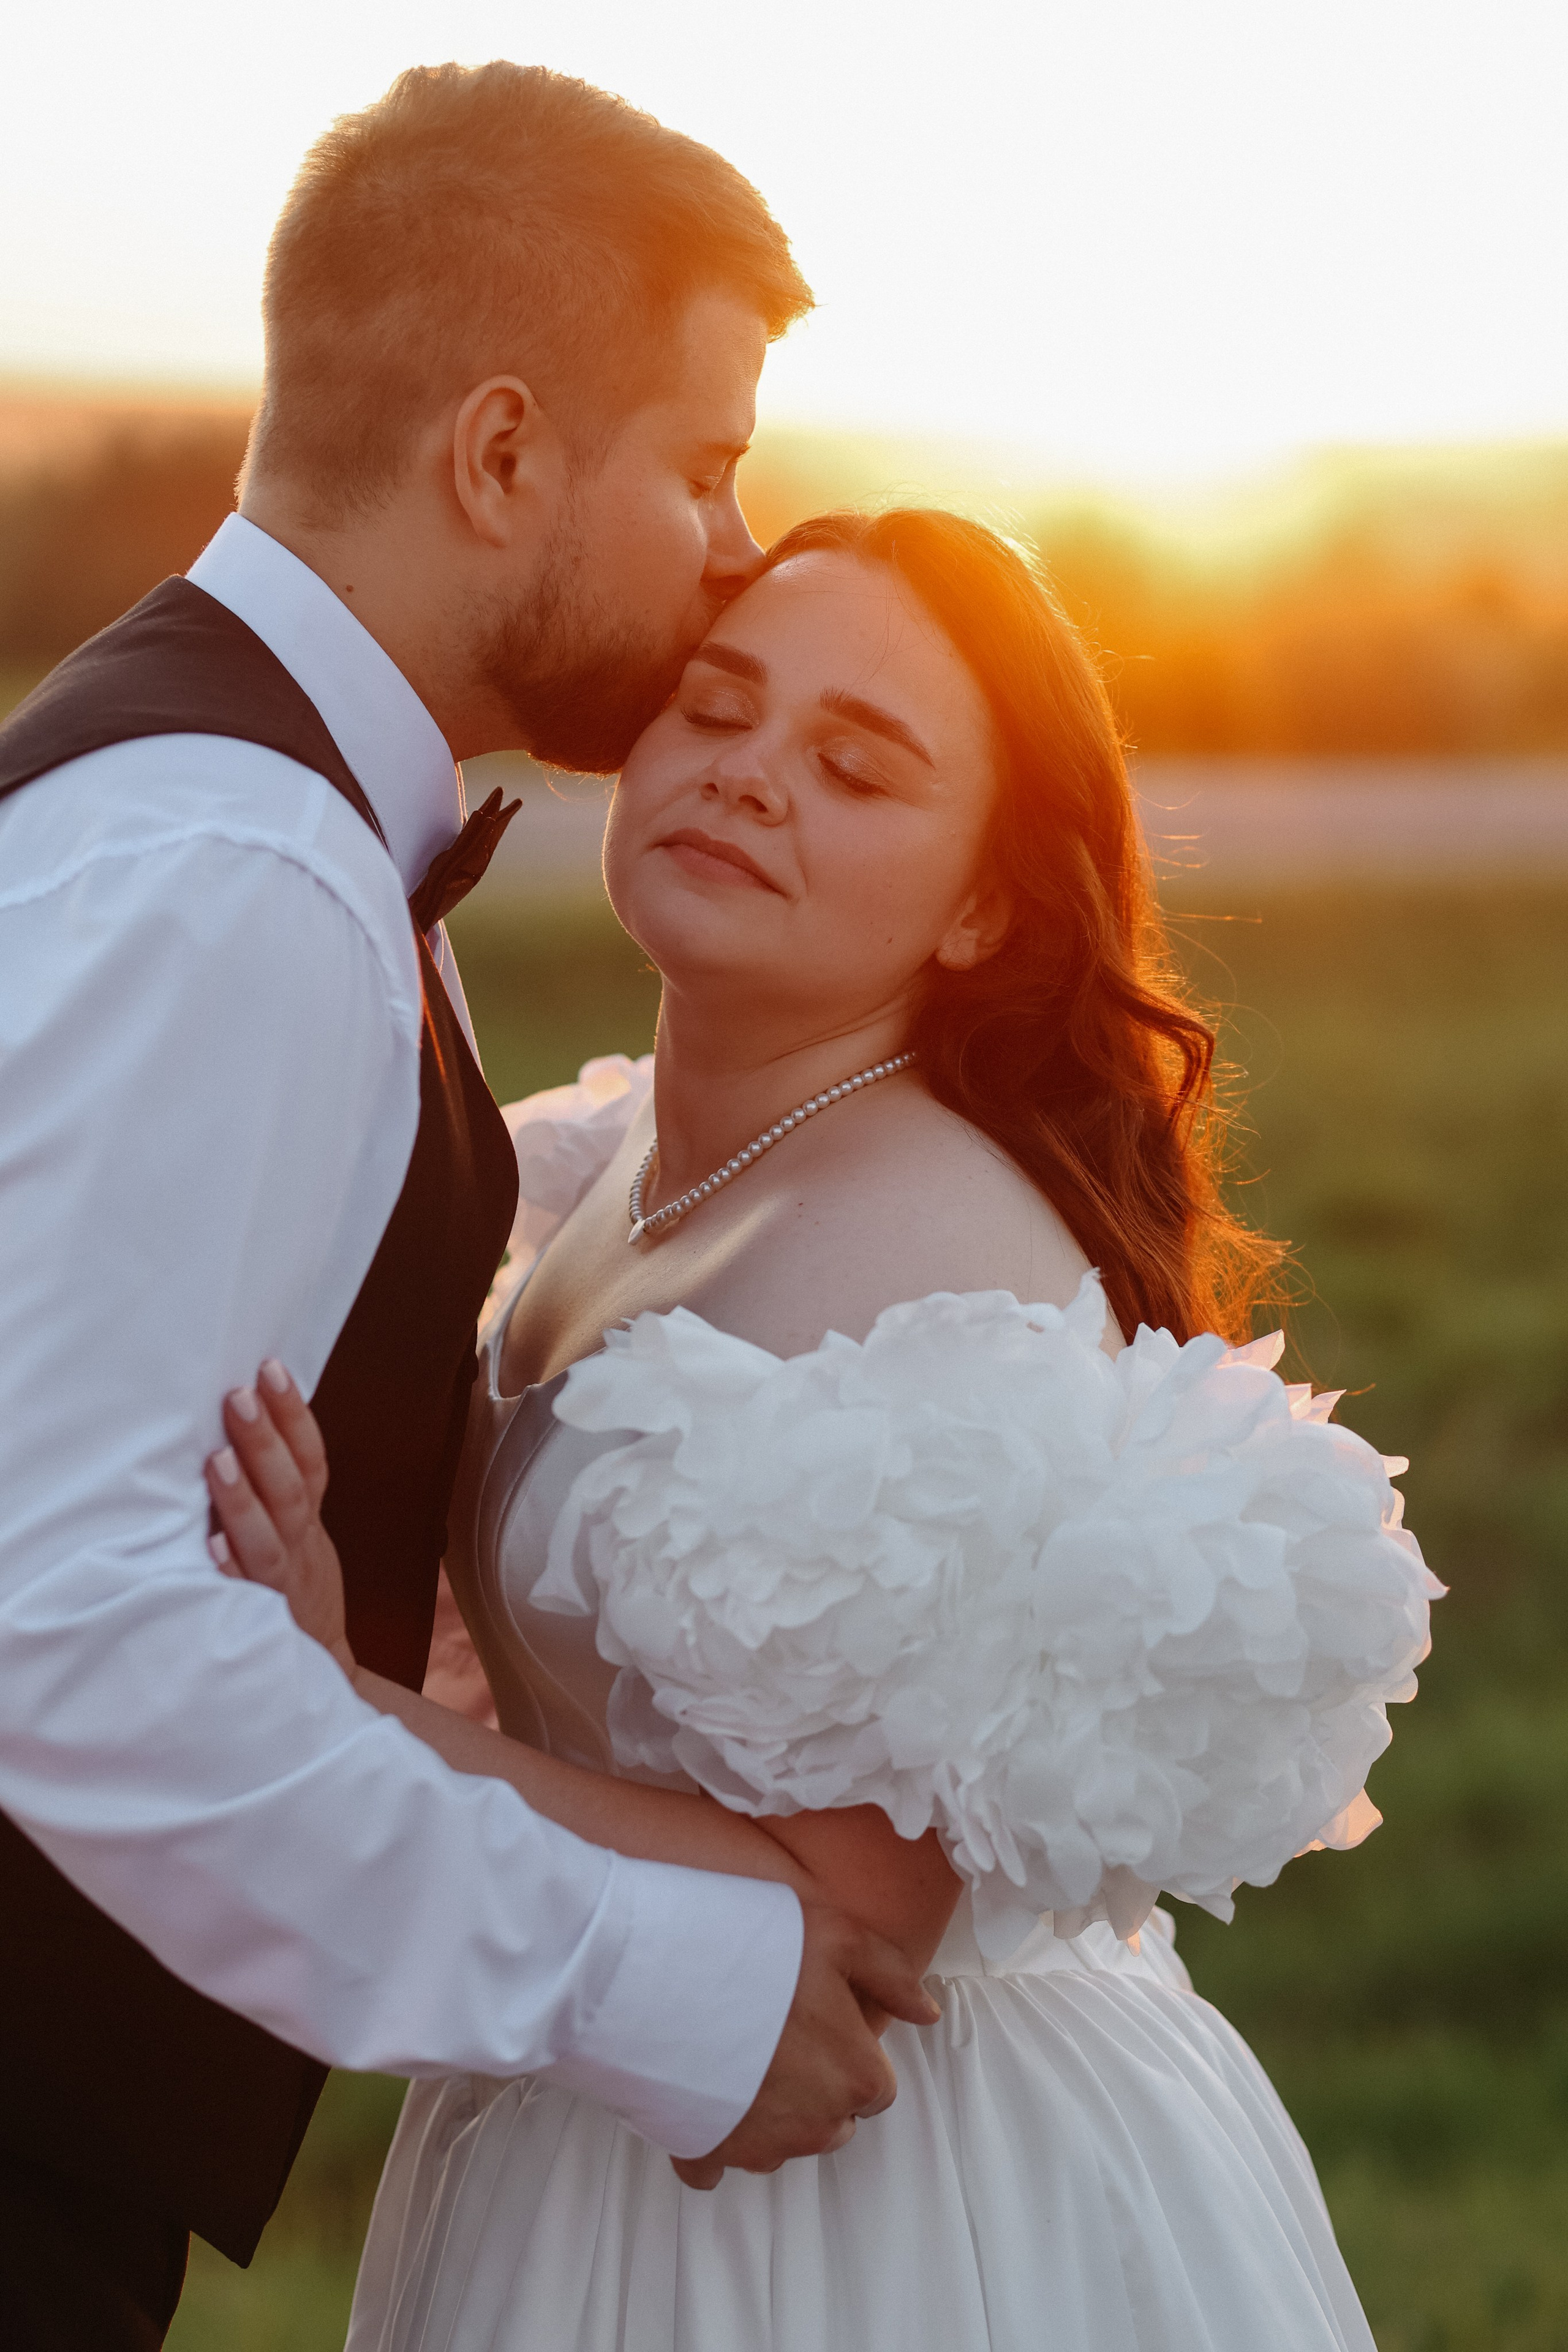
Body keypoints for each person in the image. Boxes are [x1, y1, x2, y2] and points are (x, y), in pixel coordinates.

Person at [210, 507, 1441, 2351]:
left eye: (855, 766)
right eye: (720, 707)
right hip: (606, 2092)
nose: (749, 778)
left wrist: (343, 1716)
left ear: (983, 905)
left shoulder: (929, 1273)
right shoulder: (617, 1151)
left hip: (859, 2205)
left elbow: (849, 1920)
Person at [0, 67, 939, 2352]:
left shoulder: (227, 808)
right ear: (502, 456)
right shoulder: (243, 874)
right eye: (702, 467)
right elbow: (69, 1634)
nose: (738, 545)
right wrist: (662, 1987)